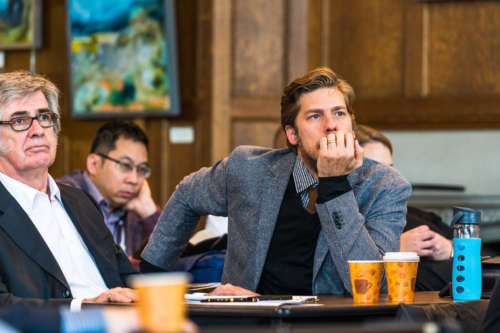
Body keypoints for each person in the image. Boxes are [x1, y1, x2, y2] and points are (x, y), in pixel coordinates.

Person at [142, 67, 411, 296]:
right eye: (315, 116)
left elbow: (373, 287)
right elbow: (188, 194)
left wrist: (335, 184)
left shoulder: (385, 185)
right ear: (292, 134)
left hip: (334, 323)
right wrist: (148, 282)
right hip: (252, 319)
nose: (331, 125)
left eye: (340, 113)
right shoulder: (248, 169)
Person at [0, 71, 136, 306]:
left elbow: (128, 280)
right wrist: (82, 308)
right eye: (19, 121)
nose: (38, 130)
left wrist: (201, 296)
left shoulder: (80, 201)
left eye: (44, 117)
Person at [356, 124, 453, 291]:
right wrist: (394, 249)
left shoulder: (418, 216)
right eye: (376, 170)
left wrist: (450, 248)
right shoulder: (349, 224)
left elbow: (481, 258)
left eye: (390, 169)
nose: (387, 179)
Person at [58, 120, 161, 259]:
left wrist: (149, 212)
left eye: (141, 169)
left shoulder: (135, 210)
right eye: (125, 165)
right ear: (94, 164)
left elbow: (176, 260)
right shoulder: (62, 197)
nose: (134, 179)